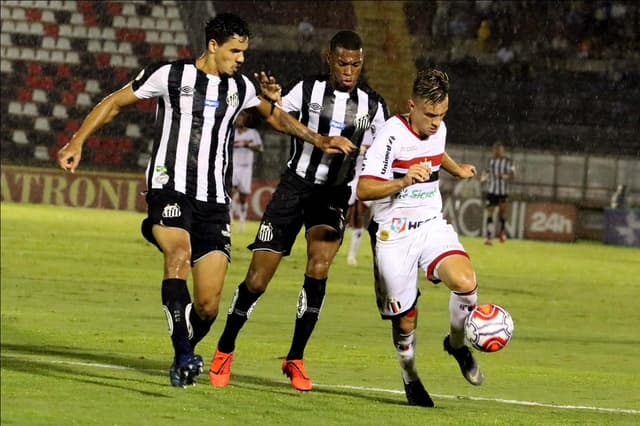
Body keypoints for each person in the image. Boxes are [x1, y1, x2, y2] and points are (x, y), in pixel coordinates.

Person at [57, 13, 354, 388]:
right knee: (177, 255)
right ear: (213, 46)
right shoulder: (169, 75)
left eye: (244, 51)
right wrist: (77, 141)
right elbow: (115, 102)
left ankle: (184, 354)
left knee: (209, 305)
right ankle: (183, 353)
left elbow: (276, 118)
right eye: (235, 50)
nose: (241, 58)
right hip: (171, 188)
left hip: (214, 201)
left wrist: (319, 140)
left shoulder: (240, 87)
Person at [209, 30, 389, 391]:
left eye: (356, 63)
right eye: (343, 63)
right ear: (329, 59)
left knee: (319, 268)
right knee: (258, 279)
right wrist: (267, 102)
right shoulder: (306, 90)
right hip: (294, 189)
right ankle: (225, 348)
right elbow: (258, 120)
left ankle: (295, 358)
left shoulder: (374, 106)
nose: (350, 70)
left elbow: (385, 153)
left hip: (333, 195)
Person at [357, 68, 484, 407]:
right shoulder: (390, 135)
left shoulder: (438, 128)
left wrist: (456, 170)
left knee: (466, 282)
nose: (435, 122)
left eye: (441, 114)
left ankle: (456, 344)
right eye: (429, 115)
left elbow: (435, 152)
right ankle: (410, 376)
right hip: (393, 235)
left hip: (430, 224)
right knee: (406, 320)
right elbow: (364, 188)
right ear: (411, 105)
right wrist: (403, 181)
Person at [231, 110, 263, 232]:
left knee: (243, 196)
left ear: (245, 119)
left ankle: (242, 221)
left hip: (246, 167)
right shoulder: (232, 132)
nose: (238, 120)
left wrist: (248, 145)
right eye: (237, 117)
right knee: (231, 192)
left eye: (241, 118)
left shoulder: (252, 133)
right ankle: (230, 219)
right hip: (233, 166)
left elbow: (260, 148)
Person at [481, 142, 515, 245]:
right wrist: (483, 178)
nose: (498, 152)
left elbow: (512, 175)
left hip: (503, 191)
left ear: (502, 150)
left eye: (500, 150)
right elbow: (486, 172)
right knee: (490, 212)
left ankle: (502, 232)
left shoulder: (508, 161)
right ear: (494, 150)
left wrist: (504, 176)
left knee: (502, 212)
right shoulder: (490, 161)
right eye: (496, 150)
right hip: (492, 190)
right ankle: (489, 236)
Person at [345, 144, 372, 266]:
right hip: (352, 181)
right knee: (348, 217)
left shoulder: (382, 132)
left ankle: (352, 255)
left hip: (371, 182)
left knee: (360, 218)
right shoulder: (358, 130)